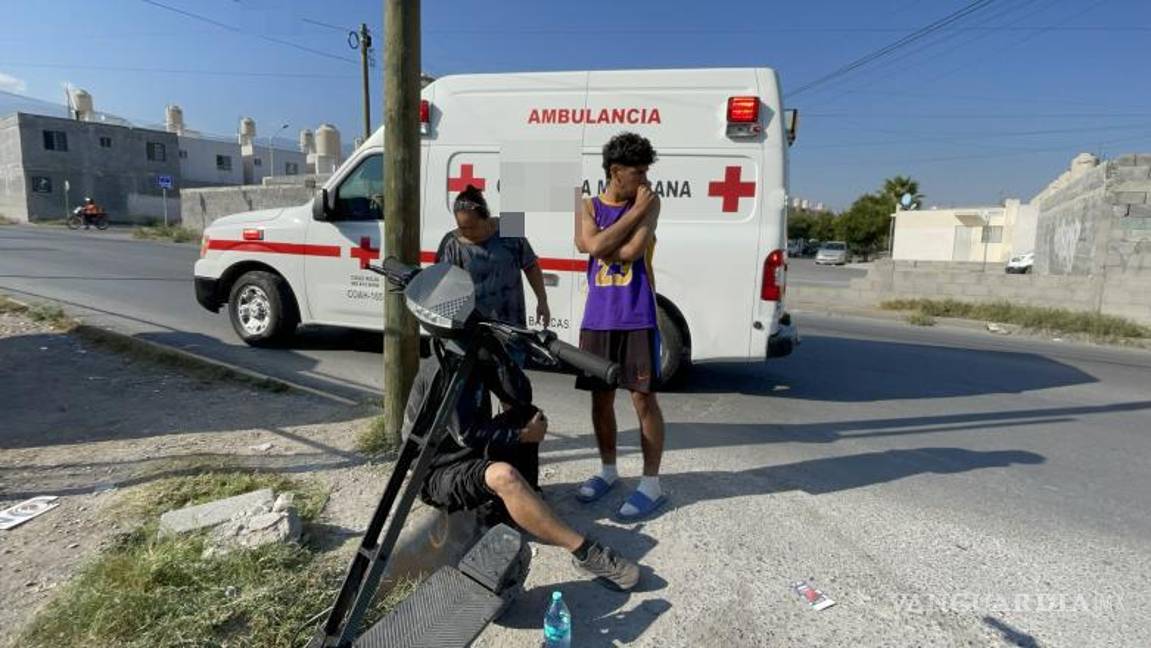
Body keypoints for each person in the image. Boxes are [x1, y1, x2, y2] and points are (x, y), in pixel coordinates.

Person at [403, 340, 641, 591]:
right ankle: (584, 553)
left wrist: (498, 354)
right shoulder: (444, 368)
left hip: (469, 454)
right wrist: (520, 435)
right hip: (437, 473)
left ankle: (523, 508)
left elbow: (520, 397)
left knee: (528, 415)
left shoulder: (474, 354)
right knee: (505, 476)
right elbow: (467, 434)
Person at [573, 132, 667, 521]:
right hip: (598, 318)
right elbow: (590, 246)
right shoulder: (587, 204)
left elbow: (627, 252)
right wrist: (628, 218)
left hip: (637, 315)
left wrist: (601, 239)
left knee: (643, 399)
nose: (645, 179)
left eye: (647, 170)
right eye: (639, 171)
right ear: (616, 172)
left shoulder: (652, 202)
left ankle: (651, 484)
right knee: (600, 398)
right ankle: (609, 471)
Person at [436, 185, 550, 333]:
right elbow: (442, 288)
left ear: (486, 217)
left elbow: (531, 266)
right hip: (473, 329)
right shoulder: (451, 243)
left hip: (512, 325)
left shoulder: (510, 225)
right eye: (462, 227)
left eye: (472, 227)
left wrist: (542, 300)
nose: (467, 232)